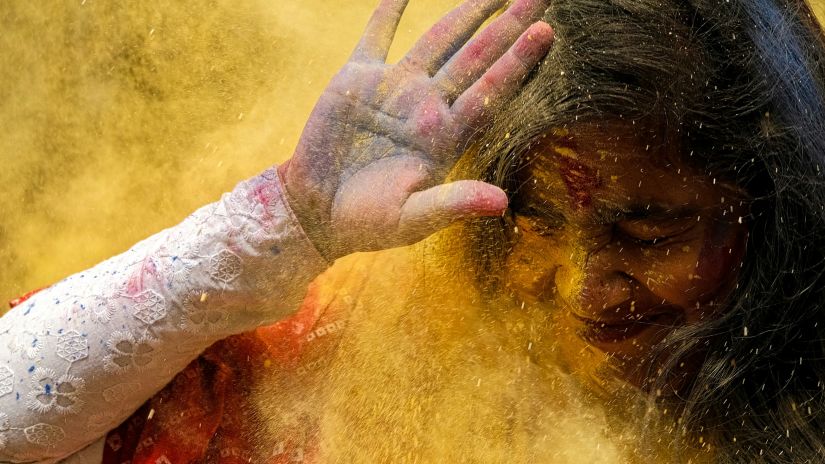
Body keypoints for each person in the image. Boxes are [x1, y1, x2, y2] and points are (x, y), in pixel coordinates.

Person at [2, 0, 824, 463]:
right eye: (533, 223)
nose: (581, 287)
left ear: (776, 207)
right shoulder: (339, 365)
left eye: (648, 234)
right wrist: (274, 230)